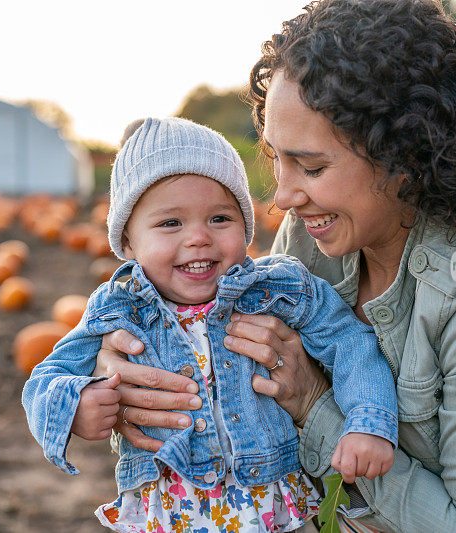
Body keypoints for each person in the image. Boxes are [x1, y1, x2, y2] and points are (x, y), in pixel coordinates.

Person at [88, 1, 456, 531]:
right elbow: (226, 351)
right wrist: (117, 366)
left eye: (312, 166)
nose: (285, 196)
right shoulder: (311, 242)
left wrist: (314, 405)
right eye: (276, 157)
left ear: (405, 151)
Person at [22, 117, 398, 532]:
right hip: (172, 513)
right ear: (127, 243)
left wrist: (369, 423)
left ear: (245, 225)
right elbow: (46, 377)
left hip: (270, 506)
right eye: (170, 223)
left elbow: (351, 344)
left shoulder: (277, 287)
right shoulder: (117, 308)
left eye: (219, 218)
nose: (198, 237)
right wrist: (75, 404)